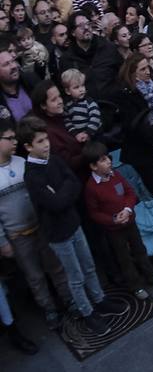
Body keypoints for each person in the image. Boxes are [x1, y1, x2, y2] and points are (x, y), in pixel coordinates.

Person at [17, 117, 112, 333]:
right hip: (57, 233)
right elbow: (55, 203)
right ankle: (88, 313)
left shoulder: (54, 159)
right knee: (75, 276)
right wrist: (62, 192)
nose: (46, 144)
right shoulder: (32, 175)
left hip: (73, 222)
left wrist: (60, 191)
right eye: (40, 141)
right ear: (28, 146)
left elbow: (74, 183)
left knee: (88, 265)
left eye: (46, 139)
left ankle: (100, 299)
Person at [0, 118, 69, 331]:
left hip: (42, 227)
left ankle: (69, 300)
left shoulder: (23, 163)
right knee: (34, 275)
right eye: (9, 138)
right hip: (17, 235)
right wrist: (2, 241)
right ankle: (49, 309)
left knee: (55, 266)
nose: (15, 142)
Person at [80, 140, 153, 299]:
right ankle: (136, 286)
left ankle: (151, 275)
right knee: (124, 257)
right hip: (114, 229)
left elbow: (130, 193)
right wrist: (113, 220)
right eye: (103, 160)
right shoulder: (91, 188)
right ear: (93, 166)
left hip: (130, 221)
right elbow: (94, 213)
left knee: (140, 249)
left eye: (108, 158)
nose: (109, 162)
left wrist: (127, 210)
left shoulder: (116, 175)